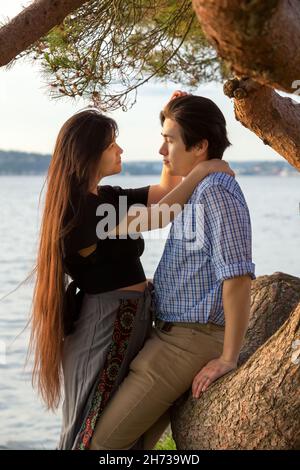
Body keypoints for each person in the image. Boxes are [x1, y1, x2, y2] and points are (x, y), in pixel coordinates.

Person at [28, 94, 234, 450]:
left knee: (119, 423)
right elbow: (162, 215)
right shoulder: (79, 209)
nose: (120, 149)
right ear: (88, 154)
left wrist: (169, 125)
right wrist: (201, 169)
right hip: (105, 326)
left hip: (126, 321)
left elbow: (167, 192)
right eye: (111, 145)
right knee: (90, 427)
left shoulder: (104, 197)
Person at [89, 94, 256, 450]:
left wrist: (229, 357)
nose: (161, 150)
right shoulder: (199, 187)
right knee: (132, 445)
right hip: (167, 336)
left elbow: (238, 278)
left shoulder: (216, 193)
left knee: (101, 447)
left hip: (187, 342)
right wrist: (198, 170)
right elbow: (156, 213)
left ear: (200, 146)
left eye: (169, 140)